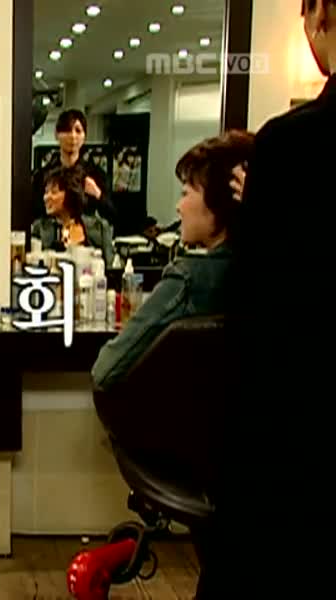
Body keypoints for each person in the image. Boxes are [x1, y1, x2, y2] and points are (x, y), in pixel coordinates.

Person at [211, 2, 336, 596]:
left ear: (321, 13)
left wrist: (257, 209)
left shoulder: (293, 145)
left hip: (300, 438)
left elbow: (259, 317)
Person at [91, 130, 253, 390]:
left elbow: (106, 369)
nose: (179, 206)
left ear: (218, 203)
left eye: (185, 193)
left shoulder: (188, 279)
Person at [31, 109, 117, 224]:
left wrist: (97, 194)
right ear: (57, 135)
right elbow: (31, 214)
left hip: (86, 233)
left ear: (84, 136)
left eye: (78, 131)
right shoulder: (43, 176)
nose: (72, 136)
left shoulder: (96, 175)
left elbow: (113, 216)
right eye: (67, 130)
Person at [30, 167, 88, 250]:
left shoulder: (97, 228)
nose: (46, 197)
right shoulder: (39, 228)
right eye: (46, 192)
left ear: (70, 194)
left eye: (54, 192)